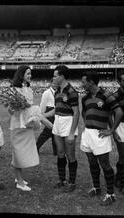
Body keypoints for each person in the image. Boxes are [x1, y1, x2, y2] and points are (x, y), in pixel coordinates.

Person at [80, 71, 123, 206]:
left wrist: (111, 130)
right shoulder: (85, 98)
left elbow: (118, 112)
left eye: (84, 81)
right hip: (88, 134)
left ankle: (111, 194)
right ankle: (96, 187)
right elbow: (84, 113)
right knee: (92, 163)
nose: (82, 84)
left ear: (91, 82)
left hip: (100, 134)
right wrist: (89, 126)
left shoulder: (106, 95)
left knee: (105, 164)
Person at [9, 65, 39, 192]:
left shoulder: (29, 89)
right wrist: (18, 107)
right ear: (21, 75)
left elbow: (30, 107)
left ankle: (18, 177)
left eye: (30, 73)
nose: (30, 76)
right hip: (17, 125)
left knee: (23, 153)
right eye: (28, 74)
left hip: (27, 124)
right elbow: (10, 110)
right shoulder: (13, 89)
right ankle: (19, 182)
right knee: (17, 154)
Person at [52, 65, 79, 193]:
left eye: (55, 75)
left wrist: (72, 133)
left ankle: (72, 182)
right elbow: (56, 109)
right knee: (60, 153)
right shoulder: (57, 91)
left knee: (70, 155)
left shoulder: (71, 91)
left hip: (68, 123)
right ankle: (62, 180)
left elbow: (76, 113)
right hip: (57, 123)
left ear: (62, 76)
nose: (53, 77)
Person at [36, 79, 58, 155]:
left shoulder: (58, 92)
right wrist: (41, 116)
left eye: (57, 83)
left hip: (56, 113)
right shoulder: (47, 93)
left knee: (54, 133)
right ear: (51, 83)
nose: (55, 84)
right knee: (47, 132)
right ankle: (36, 147)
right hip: (49, 111)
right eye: (54, 83)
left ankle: (56, 151)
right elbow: (42, 105)